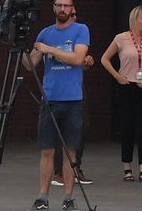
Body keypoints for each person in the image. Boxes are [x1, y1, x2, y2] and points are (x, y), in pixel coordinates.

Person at [26, 0, 90, 211]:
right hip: (50, 99)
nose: (62, 9)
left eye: (66, 6)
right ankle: (42, 196)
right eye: (59, 5)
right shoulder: (44, 33)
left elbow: (78, 58)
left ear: (72, 9)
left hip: (73, 99)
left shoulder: (81, 30)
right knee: (46, 150)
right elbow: (29, 65)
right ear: (53, 8)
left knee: (70, 150)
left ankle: (68, 197)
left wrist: (49, 49)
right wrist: (26, 46)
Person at [100, 5, 142, 183]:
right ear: (134, 19)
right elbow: (105, 58)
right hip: (127, 86)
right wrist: (118, 76)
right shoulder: (121, 38)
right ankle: (127, 167)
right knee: (128, 127)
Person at [52, 11, 94, 187]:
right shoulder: (54, 35)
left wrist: (87, 61)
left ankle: (75, 167)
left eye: (76, 14)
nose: (75, 17)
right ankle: (59, 171)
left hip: (77, 86)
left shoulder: (80, 33)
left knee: (81, 126)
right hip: (59, 87)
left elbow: (80, 60)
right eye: (72, 14)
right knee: (59, 127)